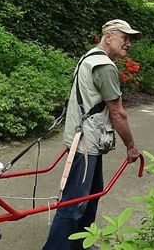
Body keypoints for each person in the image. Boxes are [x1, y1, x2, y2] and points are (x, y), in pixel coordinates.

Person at [42, 19, 142, 250]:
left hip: (85, 140)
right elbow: (118, 114)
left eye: (130, 40)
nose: (128, 43)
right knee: (73, 204)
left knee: (93, 193)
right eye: (124, 38)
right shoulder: (104, 66)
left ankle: (80, 244)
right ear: (108, 37)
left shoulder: (89, 57)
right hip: (85, 144)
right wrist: (131, 146)